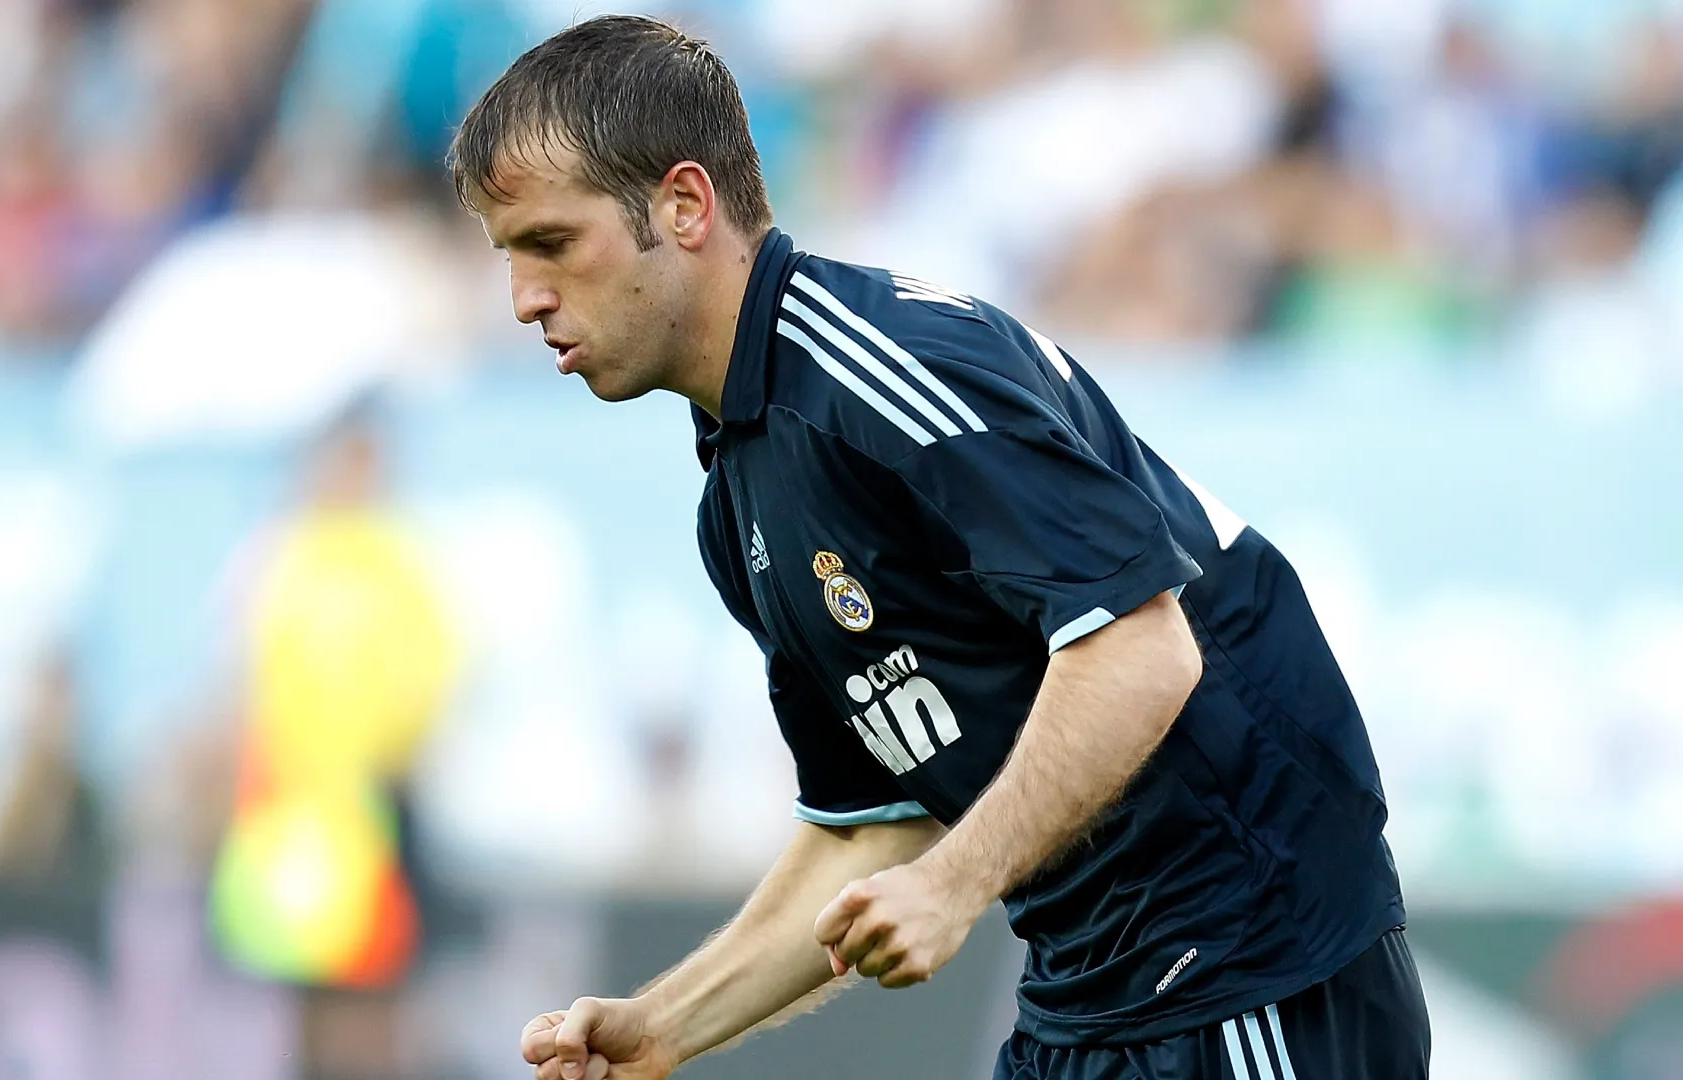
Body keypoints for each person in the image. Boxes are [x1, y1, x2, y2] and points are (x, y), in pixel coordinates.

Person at [448, 15, 1428, 1080]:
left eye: (551, 243)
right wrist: (668, 1022)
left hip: (1254, 964)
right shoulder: (740, 496)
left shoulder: (893, 372)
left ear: (684, 205)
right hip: (1089, 995)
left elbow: (1143, 648)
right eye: (510, 257)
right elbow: (874, 826)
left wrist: (956, 884)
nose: (526, 299)